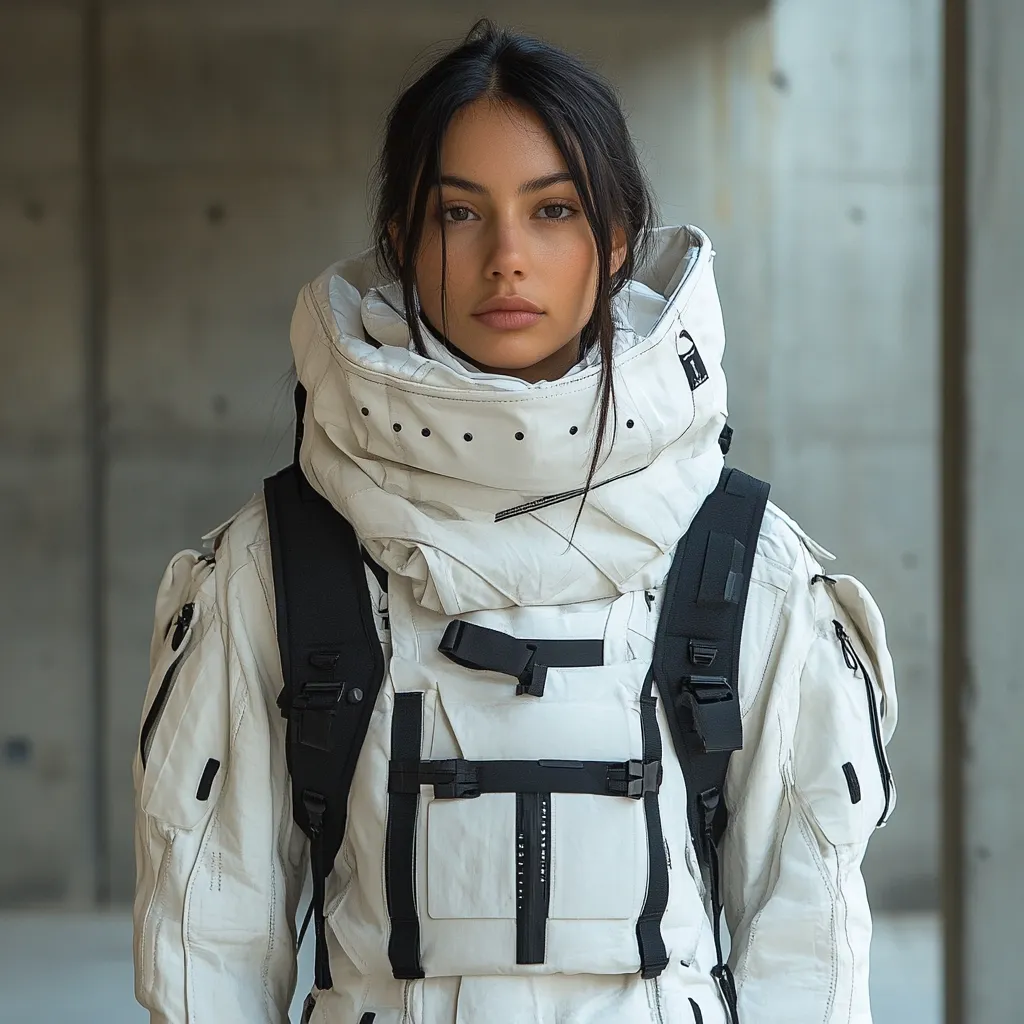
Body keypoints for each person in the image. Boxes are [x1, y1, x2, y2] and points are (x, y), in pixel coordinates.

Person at [132, 20, 897, 1024]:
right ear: (400, 241)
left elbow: (805, 954)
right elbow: (210, 949)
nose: (507, 258)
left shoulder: (745, 564)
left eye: (554, 210)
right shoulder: (278, 563)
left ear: (616, 239)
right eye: (460, 213)